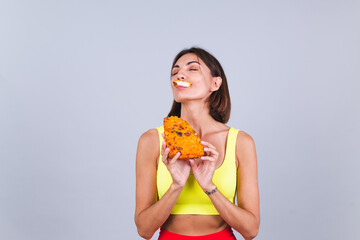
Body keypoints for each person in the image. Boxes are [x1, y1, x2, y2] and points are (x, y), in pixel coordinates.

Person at [135, 47, 260, 240]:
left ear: (215, 83)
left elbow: (251, 230)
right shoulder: (151, 141)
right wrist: (176, 185)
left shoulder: (241, 142)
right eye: (174, 72)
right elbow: (144, 230)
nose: (180, 74)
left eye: (192, 69)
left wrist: (209, 186)